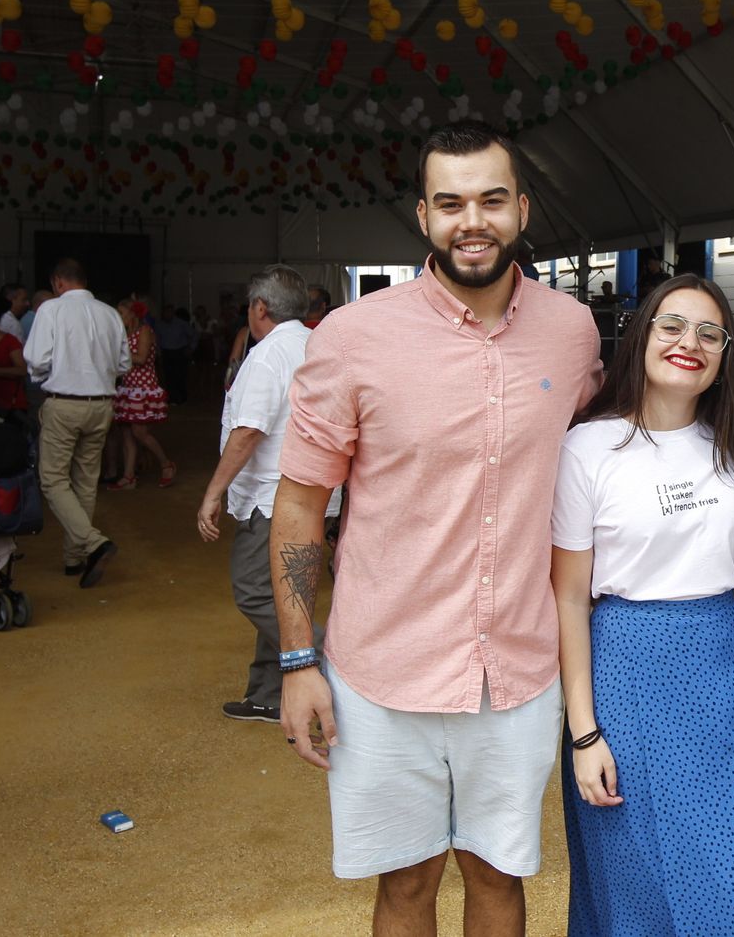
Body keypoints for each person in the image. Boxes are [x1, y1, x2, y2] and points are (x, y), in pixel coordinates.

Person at [271, 121, 602, 936]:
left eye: (491, 199)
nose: (472, 220)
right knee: (406, 885)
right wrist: (296, 658)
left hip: (517, 671)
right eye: (450, 203)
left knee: (498, 879)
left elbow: (597, 468)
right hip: (384, 669)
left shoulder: (572, 330)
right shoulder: (351, 338)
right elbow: (299, 505)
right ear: (423, 217)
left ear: (522, 209)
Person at [551, 274, 734, 936]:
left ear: (724, 357)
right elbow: (569, 597)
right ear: (642, 337)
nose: (691, 342)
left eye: (710, 333)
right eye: (673, 326)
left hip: (723, 667)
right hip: (625, 669)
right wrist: (583, 731)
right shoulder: (588, 447)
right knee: (638, 881)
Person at [197, 266, 341, 724]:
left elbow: (248, 432)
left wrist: (212, 493)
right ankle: (265, 692)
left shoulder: (267, 356)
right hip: (317, 492)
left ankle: (335, 665)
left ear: (259, 308)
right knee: (284, 593)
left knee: (253, 590)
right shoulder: (317, 346)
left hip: (274, 498)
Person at [25, 258, 130, 587]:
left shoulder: (51, 310)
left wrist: (48, 373)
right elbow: (123, 362)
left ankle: (93, 543)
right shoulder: (110, 313)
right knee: (85, 481)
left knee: (53, 480)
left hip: (64, 403)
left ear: (57, 282)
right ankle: (74, 558)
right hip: (101, 405)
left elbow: (37, 359)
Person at [106, 300, 174, 490]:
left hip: (142, 388)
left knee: (139, 432)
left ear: (132, 314)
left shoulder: (144, 331)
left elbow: (142, 358)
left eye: (121, 313)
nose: (119, 317)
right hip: (129, 387)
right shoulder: (127, 334)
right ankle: (129, 477)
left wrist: (117, 353)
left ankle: (166, 463)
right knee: (127, 434)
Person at [155, 305, 195, 406]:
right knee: (168, 376)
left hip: (179, 352)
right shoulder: (159, 325)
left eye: (169, 312)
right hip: (166, 353)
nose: (167, 315)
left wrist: (190, 348)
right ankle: (171, 398)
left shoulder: (181, 324)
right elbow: (157, 340)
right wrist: (158, 353)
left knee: (180, 375)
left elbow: (193, 335)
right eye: (165, 312)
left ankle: (182, 397)